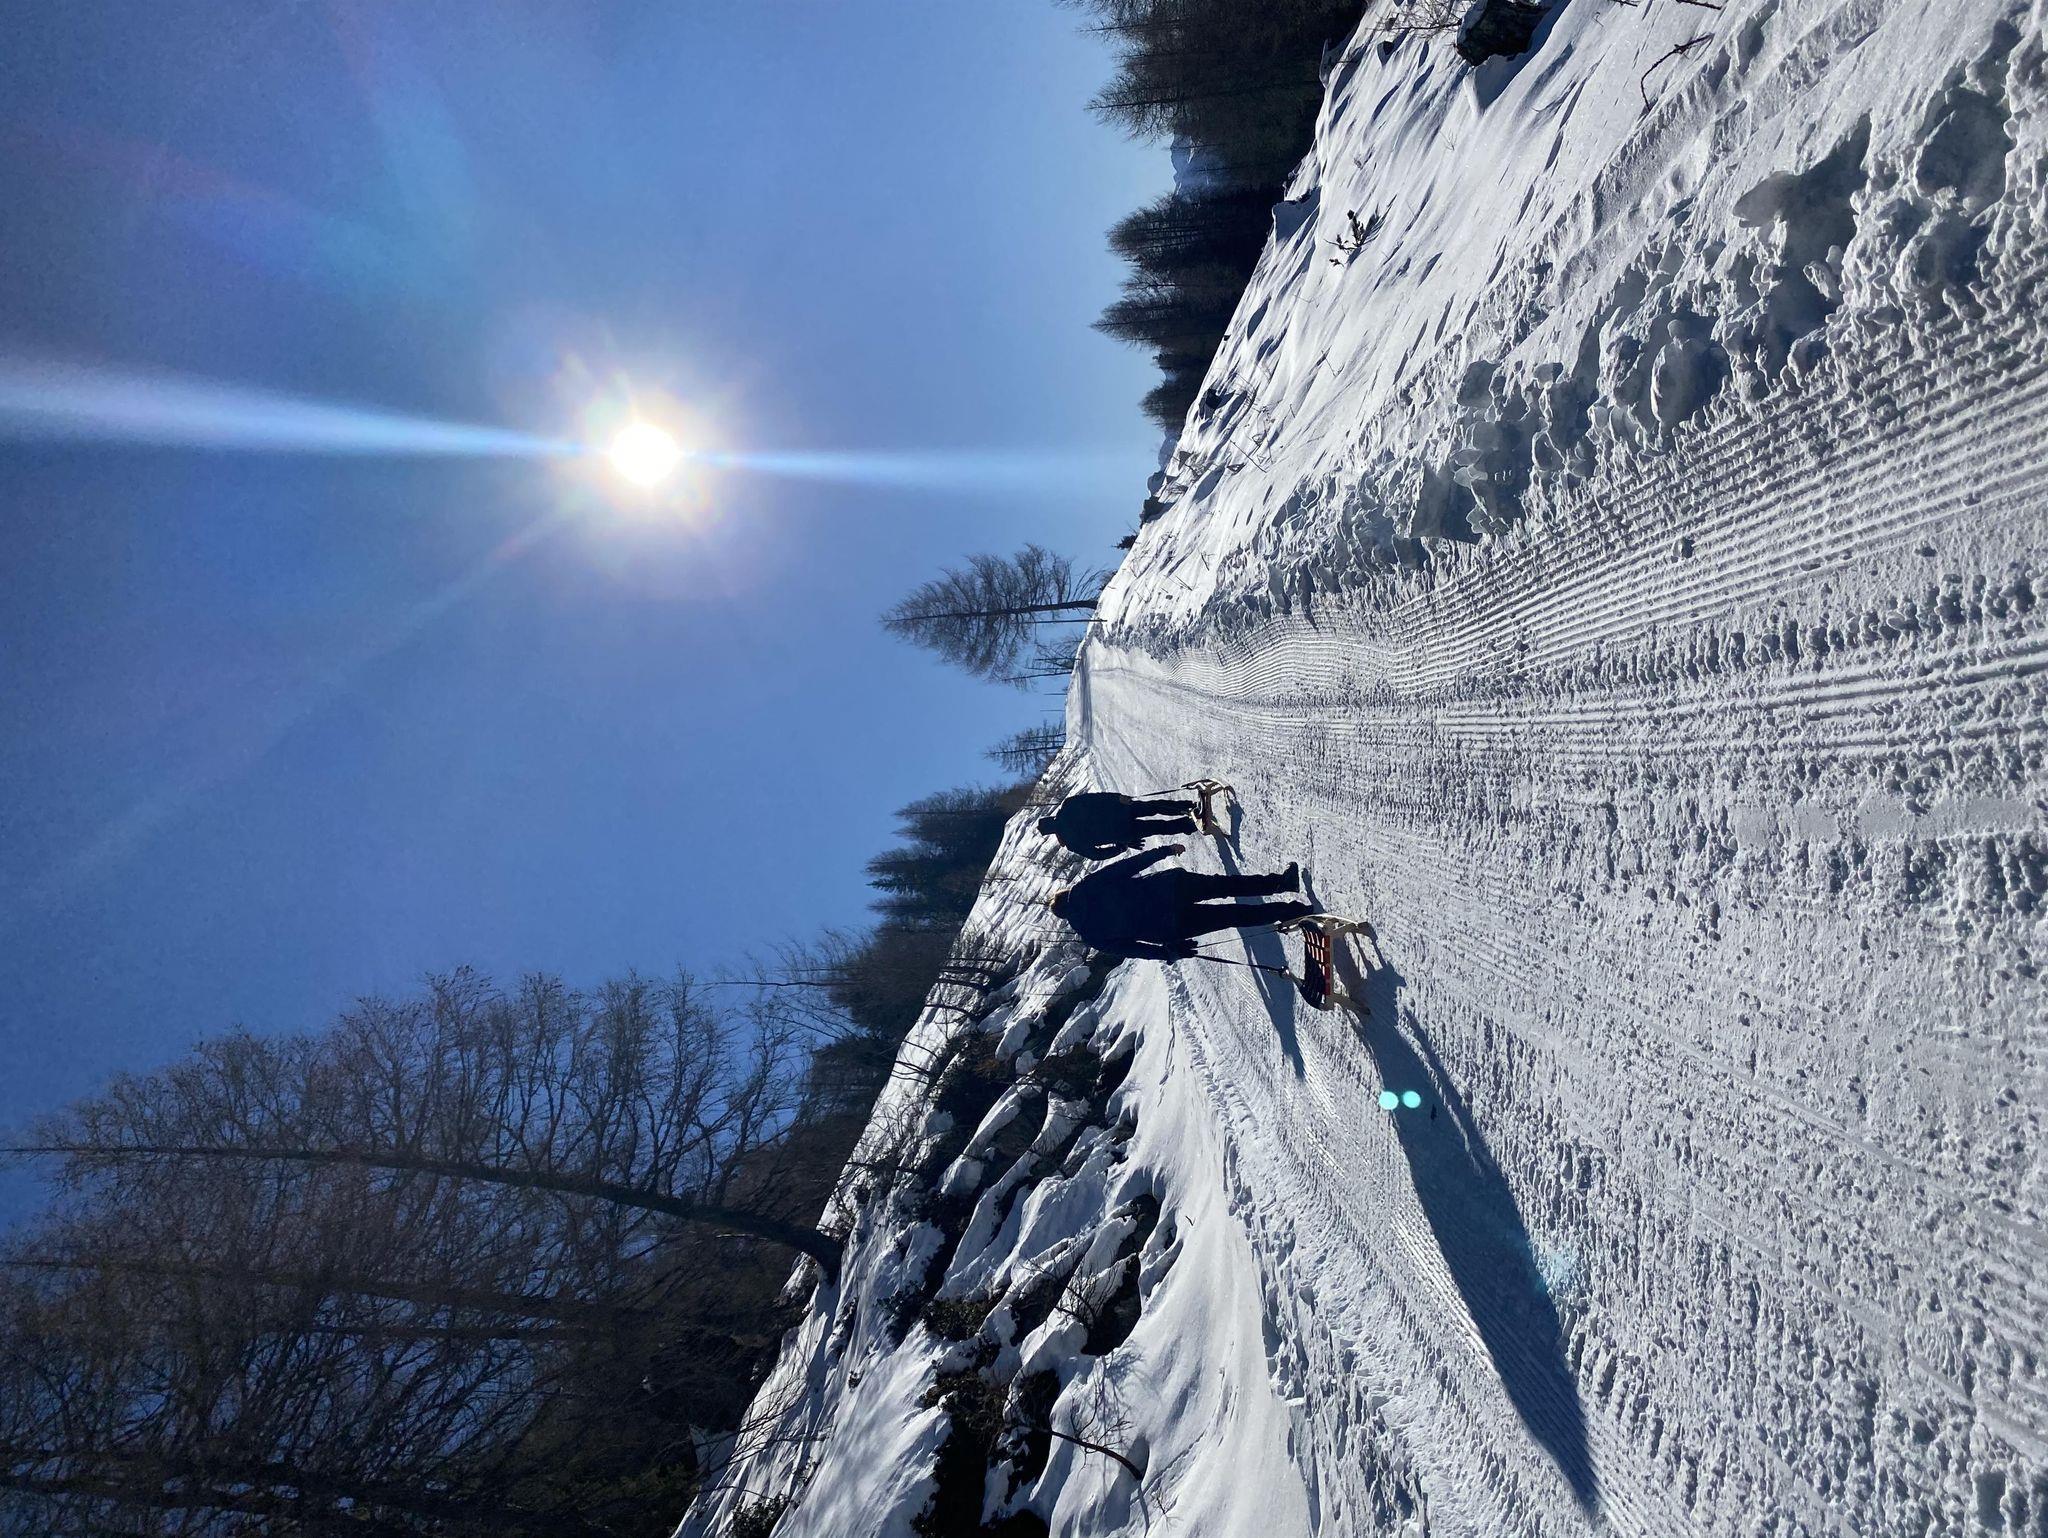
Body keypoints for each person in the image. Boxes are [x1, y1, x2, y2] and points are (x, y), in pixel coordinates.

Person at [1047, 844, 1312, 961]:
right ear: (1066, 894)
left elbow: (1133, 949)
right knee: (1226, 886)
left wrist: (1168, 952)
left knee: (1233, 916)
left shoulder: (1091, 936)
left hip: (1171, 926)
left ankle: (1294, 913)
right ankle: (1283, 883)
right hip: (1169, 889)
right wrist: (1163, 852)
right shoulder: (1085, 888)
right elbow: (1126, 867)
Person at [1037, 791, 1198, 860]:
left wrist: (1120, 847)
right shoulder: (1068, 806)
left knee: (1159, 827)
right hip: (1120, 810)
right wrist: (1117, 798)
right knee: (1154, 807)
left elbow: (1096, 855)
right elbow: (1095, 798)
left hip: (1123, 833)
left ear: (1051, 832)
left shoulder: (1070, 843)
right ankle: (1188, 807)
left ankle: (1191, 824)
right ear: (1051, 818)